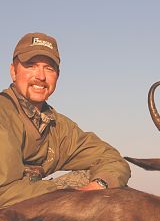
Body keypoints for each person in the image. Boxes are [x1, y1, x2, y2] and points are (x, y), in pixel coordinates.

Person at [0, 32, 131, 208]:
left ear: (57, 76)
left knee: (113, 190)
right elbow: (4, 193)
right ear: (13, 72)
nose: (40, 76)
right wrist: (69, 196)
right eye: (31, 66)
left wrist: (98, 186)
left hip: (33, 212)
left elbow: (114, 160)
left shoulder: (57, 125)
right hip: (8, 216)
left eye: (49, 68)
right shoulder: (4, 114)